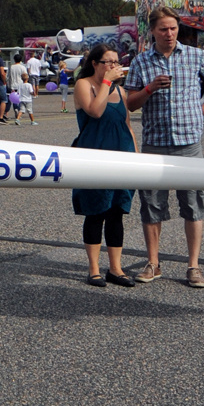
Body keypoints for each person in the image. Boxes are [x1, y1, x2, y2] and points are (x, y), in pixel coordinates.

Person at [124, 6, 204, 289]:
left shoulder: (194, 56)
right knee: (151, 205)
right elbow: (129, 104)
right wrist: (150, 89)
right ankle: (153, 263)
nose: (169, 34)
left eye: (173, 28)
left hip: (189, 142)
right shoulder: (141, 62)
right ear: (152, 32)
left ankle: (193, 265)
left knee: (193, 204)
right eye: (163, 29)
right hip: (156, 143)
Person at [72, 45, 137, 287]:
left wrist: (137, 157)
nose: (113, 66)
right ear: (95, 63)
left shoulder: (120, 91)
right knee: (95, 212)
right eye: (108, 62)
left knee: (116, 213)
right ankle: (94, 269)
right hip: (94, 158)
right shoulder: (84, 85)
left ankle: (116, 268)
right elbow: (95, 112)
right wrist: (107, 83)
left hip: (122, 157)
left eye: (116, 62)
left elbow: (127, 126)